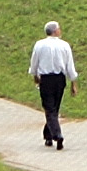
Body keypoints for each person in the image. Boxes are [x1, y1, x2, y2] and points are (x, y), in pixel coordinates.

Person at [29, 20, 76, 150]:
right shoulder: (65, 45)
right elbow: (69, 65)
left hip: (46, 79)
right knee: (54, 108)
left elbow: (34, 62)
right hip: (60, 79)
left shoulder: (39, 45)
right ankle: (51, 135)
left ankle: (55, 135)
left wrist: (35, 75)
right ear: (55, 31)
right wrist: (73, 82)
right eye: (59, 29)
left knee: (50, 109)